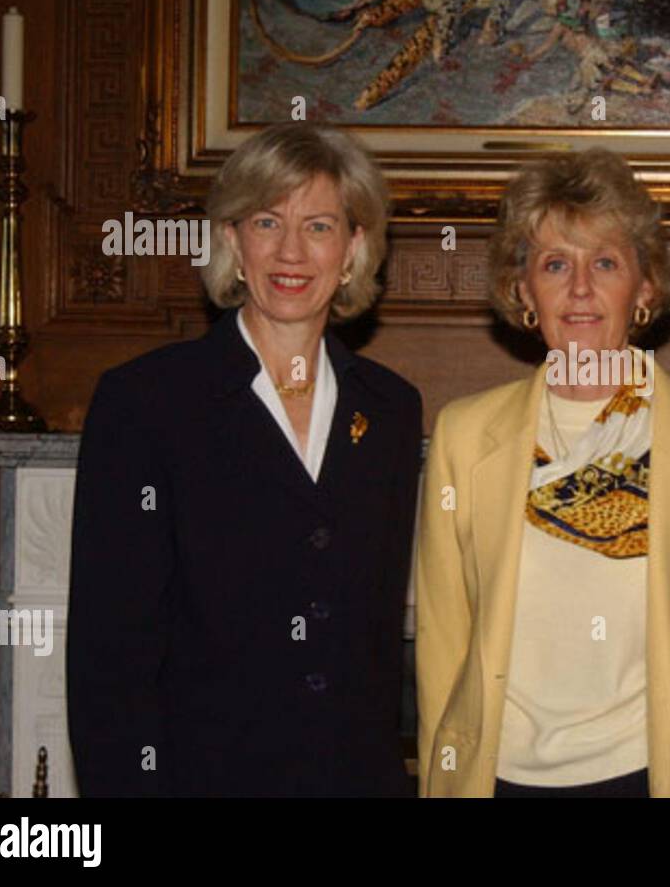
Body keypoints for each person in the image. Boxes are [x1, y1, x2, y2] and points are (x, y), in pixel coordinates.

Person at [67, 122, 421, 797]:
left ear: (353, 248)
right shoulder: (145, 403)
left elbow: (374, 647)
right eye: (267, 221)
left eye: (318, 225)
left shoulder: (392, 412)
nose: (291, 250)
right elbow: (109, 661)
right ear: (232, 239)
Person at [415, 148, 670, 797]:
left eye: (605, 262)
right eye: (555, 264)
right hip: (498, 779)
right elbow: (443, 647)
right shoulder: (463, 438)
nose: (580, 288)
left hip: (654, 777)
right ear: (524, 290)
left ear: (645, 288)